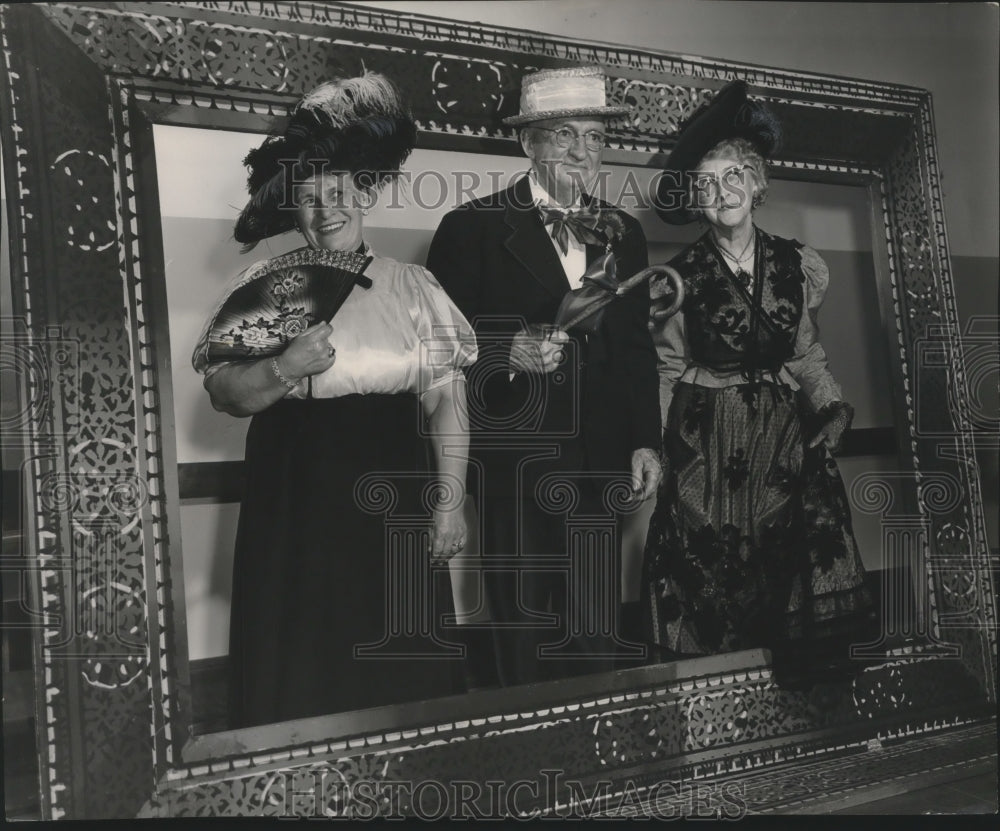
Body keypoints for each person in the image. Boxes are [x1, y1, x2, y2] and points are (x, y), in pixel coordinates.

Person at [192, 72, 478, 727]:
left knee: (400, 653)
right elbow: (223, 392)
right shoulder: (266, 285)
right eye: (311, 197)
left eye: (342, 191)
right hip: (295, 500)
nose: (329, 208)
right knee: (302, 660)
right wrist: (283, 367)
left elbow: (447, 400)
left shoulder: (414, 286)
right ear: (293, 207)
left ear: (366, 192)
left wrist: (451, 501)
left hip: (396, 493)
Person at [427, 67, 662, 687]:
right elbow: (440, 350)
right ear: (527, 144)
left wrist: (645, 440)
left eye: (593, 136)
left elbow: (637, 348)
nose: (584, 152)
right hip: (517, 458)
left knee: (593, 621)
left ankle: (594, 748)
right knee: (521, 622)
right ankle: (524, 759)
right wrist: (507, 351)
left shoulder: (625, 232)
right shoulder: (469, 228)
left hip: (599, 454)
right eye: (564, 135)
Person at [641, 80, 874, 679]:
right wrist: (662, 449)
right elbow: (667, 368)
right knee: (708, 575)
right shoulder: (678, 276)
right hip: (708, 440)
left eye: (734, 179)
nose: (723, 194)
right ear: (697, 199)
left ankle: (791, 718)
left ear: (756, 184)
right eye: (709, 185)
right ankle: (718, 708)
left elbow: (806, 354)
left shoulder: (798, 264)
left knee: (786, 566)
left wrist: (831, 404)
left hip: (779, 437)